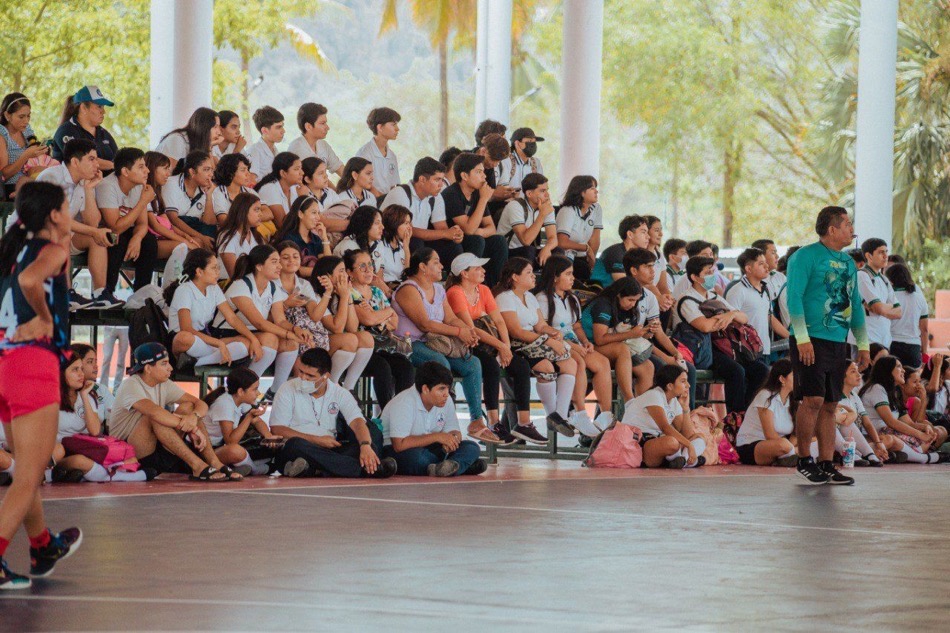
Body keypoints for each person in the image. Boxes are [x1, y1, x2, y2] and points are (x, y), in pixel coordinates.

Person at [0, 182, 82, 589]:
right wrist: (46, 319)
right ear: (53, 215)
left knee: (25, 469)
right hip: (32, 364)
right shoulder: (51, 252)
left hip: (5, 362)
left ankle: (42, 545)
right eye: (67, 207)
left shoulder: (11, 250)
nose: (71, 213)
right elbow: (33, 282)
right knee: (30, 475)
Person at [787, 206, 871, 485]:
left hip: (838, 340)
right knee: (812, 399)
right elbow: (794, 298)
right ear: (832, 229)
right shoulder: (804, 256)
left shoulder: (848, 263)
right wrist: (802, 338)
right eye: (847, 224)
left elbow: (854, 303)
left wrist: (863, 344)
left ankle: (826, 463)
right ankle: (804, 459)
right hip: (809, 338)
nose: (852, 229)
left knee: (832, 403)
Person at [392, 248, 491, 441]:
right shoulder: (408, 289)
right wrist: (459, 332)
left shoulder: (438, 289)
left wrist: (468, 332)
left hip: (435, 342)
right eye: (436, 262)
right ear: (422, 267)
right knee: (440, 364)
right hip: (408, 343)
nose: (441, 266)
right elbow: (424, 324)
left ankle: (476, 420)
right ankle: (443, 418)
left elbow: (451, 319)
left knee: (473, 364)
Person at [109, 343, 239, 481]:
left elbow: (200, 404)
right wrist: (193, 428)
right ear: (148, 368)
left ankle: (215, 463)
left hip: (158, 447)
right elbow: (155, 413)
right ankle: (198, 466)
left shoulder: (164, 383)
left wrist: (194, 417)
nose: (170, 368)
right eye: (164, 363)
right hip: (129, 454)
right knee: (155, 416)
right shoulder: (131, 385)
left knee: (189, 407)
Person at [268, 348, 397, 479]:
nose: (303, 378)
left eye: (310, 376)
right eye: (301, 372)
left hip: (329, 450)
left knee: (363, 446)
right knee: (295, 444)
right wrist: (317, 440)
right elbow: (277, 428)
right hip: (299, 447)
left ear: (326, 376)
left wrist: (365, 445)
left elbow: (357, 422)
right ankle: (365, 470)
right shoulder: (287, 389)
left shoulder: (339, 393)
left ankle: (314, 469)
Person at [445, 253, 531, 444]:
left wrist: (506, 347)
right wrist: (500, 346)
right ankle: (493, 422)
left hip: (491, 342)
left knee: (521, 366)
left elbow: (499, 321)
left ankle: (524, 423)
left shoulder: (483, 289)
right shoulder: (455, 292)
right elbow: (471, 328)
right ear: (464, 273)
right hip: (468, 343)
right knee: (491, 366)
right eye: (477, 268)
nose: (483, 271)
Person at [496, 257, 581, 442]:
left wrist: (553, 332)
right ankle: (552, 415)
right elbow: (516, 331)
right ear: (515, 277)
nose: (533, 276)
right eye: (528, 272)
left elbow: (540, 325)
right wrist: (548, 341)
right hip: (518, 345)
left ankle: (560, 416)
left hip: (535, 341)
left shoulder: (530, 297)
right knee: (546, 368)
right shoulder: (505, 298)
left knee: (570, 363)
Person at [671, 256, 768, 414]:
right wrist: (726, 316)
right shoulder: (687, 300)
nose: (712, 276)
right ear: (694, 277)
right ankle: (735, 416)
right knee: (736, 371)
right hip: (702, 350)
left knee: (761, 370)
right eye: (707, 273)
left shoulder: (714, 296)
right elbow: (705, 326)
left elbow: (744, 318)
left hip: (724, 345)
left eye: (712, 271)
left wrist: (731, 315)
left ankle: (749, 412)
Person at [535, 255, 613, 436]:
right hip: (555, 343)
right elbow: (543, 329)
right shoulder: (542, 299)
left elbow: (576, 325)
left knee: (602, 363)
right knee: (579, 361)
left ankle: (605, 415)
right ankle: (579, 413)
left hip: (573, 342)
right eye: (568, 274)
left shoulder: (572, 298)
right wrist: (573, 346)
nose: (573, 278)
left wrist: (585, 341)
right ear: (555, 277)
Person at [34, 138, 113, 310]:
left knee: (96, 238)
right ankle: (66, 293)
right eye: (91, 159)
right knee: (64, 233)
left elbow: (92, 222)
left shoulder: (83, 182)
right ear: (75, 162)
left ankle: (100, 294)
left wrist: (89, 189)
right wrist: (94, 230)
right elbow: (56, 219)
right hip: (32, 237)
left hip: (61, 238)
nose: (97, 165)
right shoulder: (51, 177)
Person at [53, 352, 151, 483]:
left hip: (83, 448)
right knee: (77, 460)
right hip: (58, 452)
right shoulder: (50, 399)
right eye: (75, 370)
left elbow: (94, 430)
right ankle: (118, 476)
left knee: (126, 457)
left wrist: (84, 396)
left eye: (81, 369)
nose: (81, 374)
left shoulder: (88, 395)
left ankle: (77, 475)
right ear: (60, 372)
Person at [382, 362, 489, 477]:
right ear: (425, 389)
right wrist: (438, 437)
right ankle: (458, 465)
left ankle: (445, 467)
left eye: (448, 388)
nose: (446, 394)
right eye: (441, 389)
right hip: (400, 451)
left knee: (472, 447)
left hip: (433, 449)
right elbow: (399, 445)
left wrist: (452, 440)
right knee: (418, 458)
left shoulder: (446, 400)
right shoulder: (404, 402)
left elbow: (454, 431)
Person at [622, 248, 696, 405]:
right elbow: (632, 338)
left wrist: (676, 353)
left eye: (653, 266)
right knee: (663, 367)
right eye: (647, 267)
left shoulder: (649, 296)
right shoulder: (623, 294)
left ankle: (686, 413)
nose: (653, 271)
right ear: (634, 270)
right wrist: (666, 357)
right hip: (627, 347)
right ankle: (650, 412)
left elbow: (659, 333)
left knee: (688, 368)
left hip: (643, 345)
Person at [344, 249, 415, 411]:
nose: (368, 270)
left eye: (370, 265)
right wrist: (386, 314)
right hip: (362, 348)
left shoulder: (376, 292)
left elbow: (394, 323)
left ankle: (402, 412)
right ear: (350, 272)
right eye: (362, 266)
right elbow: (368, 320)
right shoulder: (349, 293)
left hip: (382, 345)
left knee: (405, 367)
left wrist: (380, 316)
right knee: (382, 368)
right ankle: (387, 413)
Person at [164, 248, 258, 368]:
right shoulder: (185, 290)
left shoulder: (214, 288)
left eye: (218, 268)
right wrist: (219, 343)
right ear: (199, 271)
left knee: (246, 343)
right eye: (214, 268)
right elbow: (186, 329)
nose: (218, 272)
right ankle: (214, 356)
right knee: (184, 338)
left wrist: (253, 338)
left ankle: (198, 361)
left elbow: (232, 318)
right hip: (185, 341)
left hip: (204, 340)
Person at [435, 152, 508, 287]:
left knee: (499, 241)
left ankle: (492, 287)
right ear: (464, 176)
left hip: (468, 239)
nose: (484, 176)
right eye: (479, 172)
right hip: (449, 244)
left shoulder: (477, 194)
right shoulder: (451, 194)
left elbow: (491, 228)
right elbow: (468, 229)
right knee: (476, 240)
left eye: (483, 172)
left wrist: (478, 231)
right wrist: (484, 199)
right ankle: (467, 285)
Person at [94, 147, 159, 299]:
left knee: (149, 241)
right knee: (117, 240)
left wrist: (137, 238)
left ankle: (140, 296)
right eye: (141, 167)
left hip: (127, 230)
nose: (147, 171)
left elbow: (142, 224)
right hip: (105, 232)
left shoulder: (139, 186)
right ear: (125, 171)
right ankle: (106, 295)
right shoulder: (107, 186)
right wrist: (143, 201)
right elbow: (115, 227)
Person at [859, 356, 947, 464]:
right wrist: (920, 435)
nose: (903, 370)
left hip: (887, 432)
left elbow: (909, 423)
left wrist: (924, 428)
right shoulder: (876, 388)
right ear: (888, 370)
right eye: (899, 367)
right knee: (894, 439)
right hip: (875, 436)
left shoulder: (893, 391)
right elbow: (891, 422)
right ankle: (921, 456)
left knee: (931, 433)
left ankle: (897, 455)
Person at [580, 277, 651, 402]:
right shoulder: (603, 305)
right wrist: (631, 334)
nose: (633, 304)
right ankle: (629, 400)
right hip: (587, 344)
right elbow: (600, 339)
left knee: (647, 366)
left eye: (636, 300)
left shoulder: (628, 308)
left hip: (607, 345)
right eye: (630, 300)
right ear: (619, 295)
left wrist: (647, 332)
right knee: (622, 349)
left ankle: (642, 408)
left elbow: (629, 335)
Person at [310, 256, 375, 392]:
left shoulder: (341, 292)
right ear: (327, 275)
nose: (345, 275)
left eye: (345, 271)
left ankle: (348, 389)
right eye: (341, 271)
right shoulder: (316, 295)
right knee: (349, 340)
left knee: (366, 338)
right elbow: (337, 328)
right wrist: (345, 296)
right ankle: (331, 387)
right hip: (315, 342)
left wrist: (348, 296)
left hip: (333, 341)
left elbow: (352, 327)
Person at [621, 365, 706, 469]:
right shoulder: (654, 395)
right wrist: (689, 445)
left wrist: (685, 408)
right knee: (672, 442)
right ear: (670, 386)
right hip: (637, 443)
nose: (688, 385)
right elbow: (665, 427)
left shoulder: (673, 401)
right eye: (683, 381)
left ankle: (682, 461)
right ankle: (686, 461)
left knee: (700, 437)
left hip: (656, 440)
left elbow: (687, 434)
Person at [203, 368, 275, 476]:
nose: (258, 393)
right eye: (255, 389)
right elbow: (230, 442)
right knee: (235, 451)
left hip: (218, 447)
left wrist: (268, 436)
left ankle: (240, 466)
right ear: (241, 391)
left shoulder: (239, 398)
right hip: (204, 451)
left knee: (271, 446)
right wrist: (249, 417)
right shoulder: (225, 404)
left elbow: (257, 421)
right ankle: (255, 469)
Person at [380, 157, 460, 251]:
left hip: (417, 241)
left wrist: (455, 234)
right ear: (422, 179)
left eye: (442, 180)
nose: (441, 184)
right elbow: (408, 230)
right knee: (416, 242)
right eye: (437, 180)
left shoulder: (436, 197)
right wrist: (445, 233)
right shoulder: (401, 193)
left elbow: (442, 228)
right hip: (392, 242)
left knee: (452, 246)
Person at [725, 247, 789, 359]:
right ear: (748, 268)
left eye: (765, 262)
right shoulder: (737, 291)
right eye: (761, 264)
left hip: (764, 349)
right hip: (746, 351)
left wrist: (791, 337)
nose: (766, 266)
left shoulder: (765, 289)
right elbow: (730, 323)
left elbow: (769, 317)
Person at [734, 360, 798, 466]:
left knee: (815, 442)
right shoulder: (765, 396)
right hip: (753, 445)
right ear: (782, 379)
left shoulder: (793, 400)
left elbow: (797, 432)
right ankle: (791, 455)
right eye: (795, 375)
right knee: (783, 445)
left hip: (782, 445)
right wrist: (791, 448)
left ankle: (787, 456)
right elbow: (770, 435)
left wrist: (790, 447)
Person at [143, 151, 203, 258]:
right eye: (165, 168)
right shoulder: (145, 191)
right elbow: (156, 226)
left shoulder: (157, 193)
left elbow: (168, 224)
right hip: (150, 241)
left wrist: (185, 236)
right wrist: (185, 241)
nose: (168, 173)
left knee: (197, 242)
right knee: (186, 247)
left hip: (161, 237)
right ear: (152, 168)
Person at [496, 172, 557, 266]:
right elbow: (526, 241)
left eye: (547, 190)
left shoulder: (546, 207)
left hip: (527, 250)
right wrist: (542, 215)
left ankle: (548, 276)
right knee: (529, 250)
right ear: (529, 193)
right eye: (542, 191)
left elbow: (553, 238)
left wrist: (547, 248)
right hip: (507, 252)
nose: (547, 195)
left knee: (557, 251)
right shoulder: (515, 206)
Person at [52, 86, 117, 173]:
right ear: (83, 108)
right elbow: (83, 161)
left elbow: (119, 159)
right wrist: (115, 165)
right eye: (99, 106)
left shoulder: (103, 132)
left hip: (104, 180)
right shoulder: (66, 131)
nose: (103, 111)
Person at [836, 359, 889, 466]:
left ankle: (869, 454)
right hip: (835, 437)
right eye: (853, 371)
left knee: (881, 443)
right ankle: (853, 453)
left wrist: (878, 443)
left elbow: (867, 423)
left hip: (852, 437)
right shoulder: (834, 396)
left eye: (858, 371)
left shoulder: (854, 396)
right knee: (845, 419)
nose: (858, 375)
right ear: (842, 376)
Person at [555, 175, 603, 283]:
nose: (596, 191)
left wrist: (592, 261)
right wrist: (586, 248)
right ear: (582, 192)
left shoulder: (596, 209)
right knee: (581, 269)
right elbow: (562, 242)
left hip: (583, 257)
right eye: (592, 188)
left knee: (596, 278)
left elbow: (595, 238)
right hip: (565, 257)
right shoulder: (568, 210)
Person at [0, 93, 48, 199]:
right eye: (21, 117)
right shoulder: (2, 135)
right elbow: (3, 175)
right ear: (7, 115)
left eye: (28, 116)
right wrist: (26, 155)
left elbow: (34, 147)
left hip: (31, 180)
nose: (26, 121)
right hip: (12, 186)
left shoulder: (26, 130)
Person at [271, 195, 330, 279]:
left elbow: (328, 264)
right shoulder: (288, 238)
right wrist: (321, 272)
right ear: (300, 214)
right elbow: (294, 269)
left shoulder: (315, 239)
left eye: (318, 213)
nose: (318, 217)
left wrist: (324, 238)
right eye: (314, 213)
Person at [858, 238, 902, 348]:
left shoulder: (884, 279)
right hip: (866, 341)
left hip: (884, 340)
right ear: (869, 256)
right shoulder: (862, 275)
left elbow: (899, 312)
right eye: (881, 252)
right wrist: (885, 308)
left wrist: (881, 308)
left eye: (886, 251)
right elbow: (879, 308)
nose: (886, 256)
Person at [885, 263, 928, 368]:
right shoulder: (920, 298)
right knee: (912, 378)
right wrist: (924, 353)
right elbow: (924, 329)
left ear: (890, 280)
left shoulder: (887, 297)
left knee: (892, 377)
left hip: (891, 345)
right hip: (913, 348)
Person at [589, 214, 650, 288]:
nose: (648, 237)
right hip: (600, 292)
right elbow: (624, 285)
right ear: (630, 234)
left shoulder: (635, 256)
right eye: (643, 232)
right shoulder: (615, 253)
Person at [287, 103, 344, 177]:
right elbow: (313, 180)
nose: (327, 127)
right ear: (308, 126)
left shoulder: (323, 144)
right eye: (322, 123)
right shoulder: (296, 150)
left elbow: (340, 169)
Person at [215, 192, 264, 279]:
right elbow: (234, 275)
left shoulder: (257, 236)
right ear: (243, 211)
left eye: (260, 210)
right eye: (256, 210)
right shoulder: (226, 236)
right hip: (230, 282)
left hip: (253, 281)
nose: (261, 214)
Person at [254, 151, 302, 237]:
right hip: (277, 237)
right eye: (296, 169)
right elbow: (283, 224)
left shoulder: (293, 188)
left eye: (301, 168)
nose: (302, 173)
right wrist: (302, 198)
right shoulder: (270, 188)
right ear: (283, 173)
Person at [357, 107, 401, 196]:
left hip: (387, 201)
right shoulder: (364, 154)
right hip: (370, 201)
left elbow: (393, 186)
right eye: (393, 124)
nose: (397, 129)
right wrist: (382, 199)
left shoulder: (392, 156)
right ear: (380, 127)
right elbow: (362, 184)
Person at [68, 343, 115, 424]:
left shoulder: (100, 389)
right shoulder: (63, 392)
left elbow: (114, 416)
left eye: (95, 361)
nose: (96, 366)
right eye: (90, 362)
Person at [155, 107, 222, 163]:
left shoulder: (201, 142)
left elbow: (211, 173)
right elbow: (173, 173)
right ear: (204, 127)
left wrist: (209, 147)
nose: (219, 132)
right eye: (215, 127)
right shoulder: (177, 140)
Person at [211, 152, 257, 227]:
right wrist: (253, 218)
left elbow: (268, 213)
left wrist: (244, 219)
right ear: (230, 174)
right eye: (243, 170)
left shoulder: (249, 191)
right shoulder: (218, 192)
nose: (248, 174)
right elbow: (224, 220)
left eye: (248, 169)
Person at [244, 106, 285, 180]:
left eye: (282, 126)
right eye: (278, 127)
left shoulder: (276, 151)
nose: (283, 131)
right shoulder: (254, 151)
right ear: (264, 131)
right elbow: (251, 182)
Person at [374, 205, 412, 285]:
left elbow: (407, 277)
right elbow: (377, 278)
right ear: (394, 224)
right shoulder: (379, 244)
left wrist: (406, 249)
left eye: (409, 223)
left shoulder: (403, 246)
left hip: (400, 287)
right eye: (406, 223)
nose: (409, 227)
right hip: (384, 287)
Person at [498, 127, 544, 193]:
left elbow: (541, 187)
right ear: (517, 143)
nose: (533, 145)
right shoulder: (507, 161)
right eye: (529, 141)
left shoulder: (536, 162)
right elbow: (503, 190)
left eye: (534, 142)